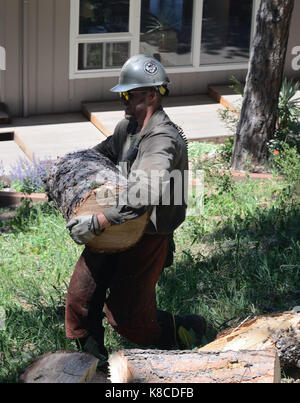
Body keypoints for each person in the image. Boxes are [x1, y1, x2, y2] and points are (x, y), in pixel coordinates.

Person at [65, 54, 206, 367]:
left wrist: (98, 221)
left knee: (128, 315)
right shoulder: (128, 128)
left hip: (148, 233)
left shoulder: (163, 140)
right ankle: (91, 359)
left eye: (129, 95)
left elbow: (143, 193)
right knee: (81, 295)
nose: (123, 102)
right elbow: (96, 158)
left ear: (152, 95)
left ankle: (178, 330)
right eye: (122, 95)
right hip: (117, 223)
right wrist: (70, 176)